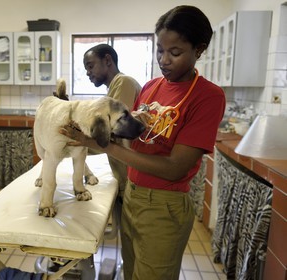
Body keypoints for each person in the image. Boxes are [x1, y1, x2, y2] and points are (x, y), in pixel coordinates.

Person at [60, 5, 226, 280]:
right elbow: (131, 137)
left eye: (175, 53)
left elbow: (174, 168)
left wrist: (105, 145)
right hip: (133, 196)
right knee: (132, 272)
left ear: (199, 49)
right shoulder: (151, 87)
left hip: (164, 206)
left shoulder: (208, 97)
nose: (164, 60)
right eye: (160, 50)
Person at [83, 43, 142, 200]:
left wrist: (80, 140)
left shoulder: (124, 82)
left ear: (107, 60)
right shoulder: (114, 88)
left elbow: (112, 131)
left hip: (132, 179)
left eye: (90, 66)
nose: (88, 73)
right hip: (124, 176)